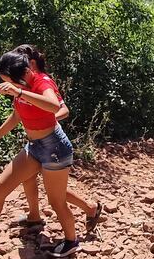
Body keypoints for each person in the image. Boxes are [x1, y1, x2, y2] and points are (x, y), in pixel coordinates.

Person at [0, 51, 80, 257]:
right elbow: (16, 116)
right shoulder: (20, 87)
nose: (7, 85)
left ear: (22, 73)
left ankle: (71, 241)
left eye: (8, 80)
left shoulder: (42, 82)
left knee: (56, 201)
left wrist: (19, 92)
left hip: (55, 147)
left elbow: (54, 105)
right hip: (35, 146)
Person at [10, 45, 101, 230]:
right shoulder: (25, 84)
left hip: (50, 141)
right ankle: (34, 216)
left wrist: (41, 119)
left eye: (22, 64)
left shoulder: (43, 82)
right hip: (36, 140)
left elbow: (63, 109)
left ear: (32, 63)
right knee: (29, 178)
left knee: (54, 190)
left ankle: (89, 208)